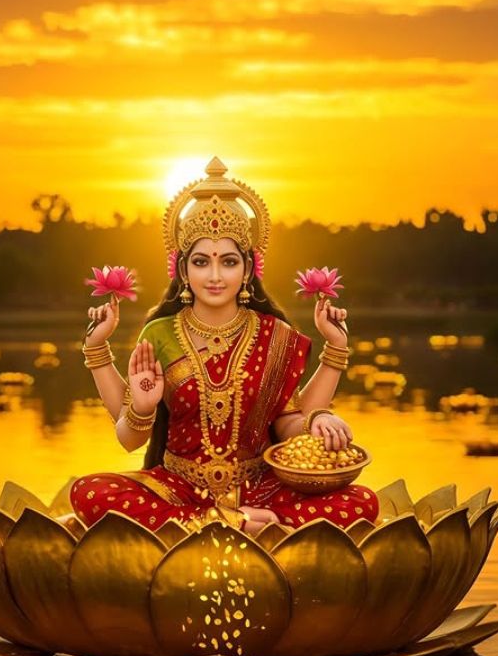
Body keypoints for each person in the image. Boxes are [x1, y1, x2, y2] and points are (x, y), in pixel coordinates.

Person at [71, 158, 378, 537]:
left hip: (261, 491)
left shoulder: (274, 333)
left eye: (228, 262)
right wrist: (137, 398)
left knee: (362, 501)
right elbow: (129, 440)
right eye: (202, 262)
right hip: (178, 491)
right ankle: (236, 526)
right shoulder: (160, 333)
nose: (215, 276)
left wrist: (320, 412)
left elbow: (287, 423)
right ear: (184, 271)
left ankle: (235, 524)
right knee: (88, 492)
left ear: (247, 270)